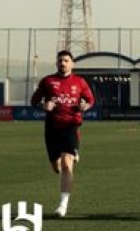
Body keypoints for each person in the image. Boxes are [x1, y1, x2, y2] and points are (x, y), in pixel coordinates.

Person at [29, 50, 95, 218]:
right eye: (60, 60)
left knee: (66, 163)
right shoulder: (48, 81)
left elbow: (90, 100)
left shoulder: (80, 82)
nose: (62, 63)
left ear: (72, 63)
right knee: (57, 167)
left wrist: (85, 106)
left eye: (66, 60)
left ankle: (62, 205)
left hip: (71, 125)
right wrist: (44, 105)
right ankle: (72, 153)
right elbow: (34, 101)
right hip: (52, 127)